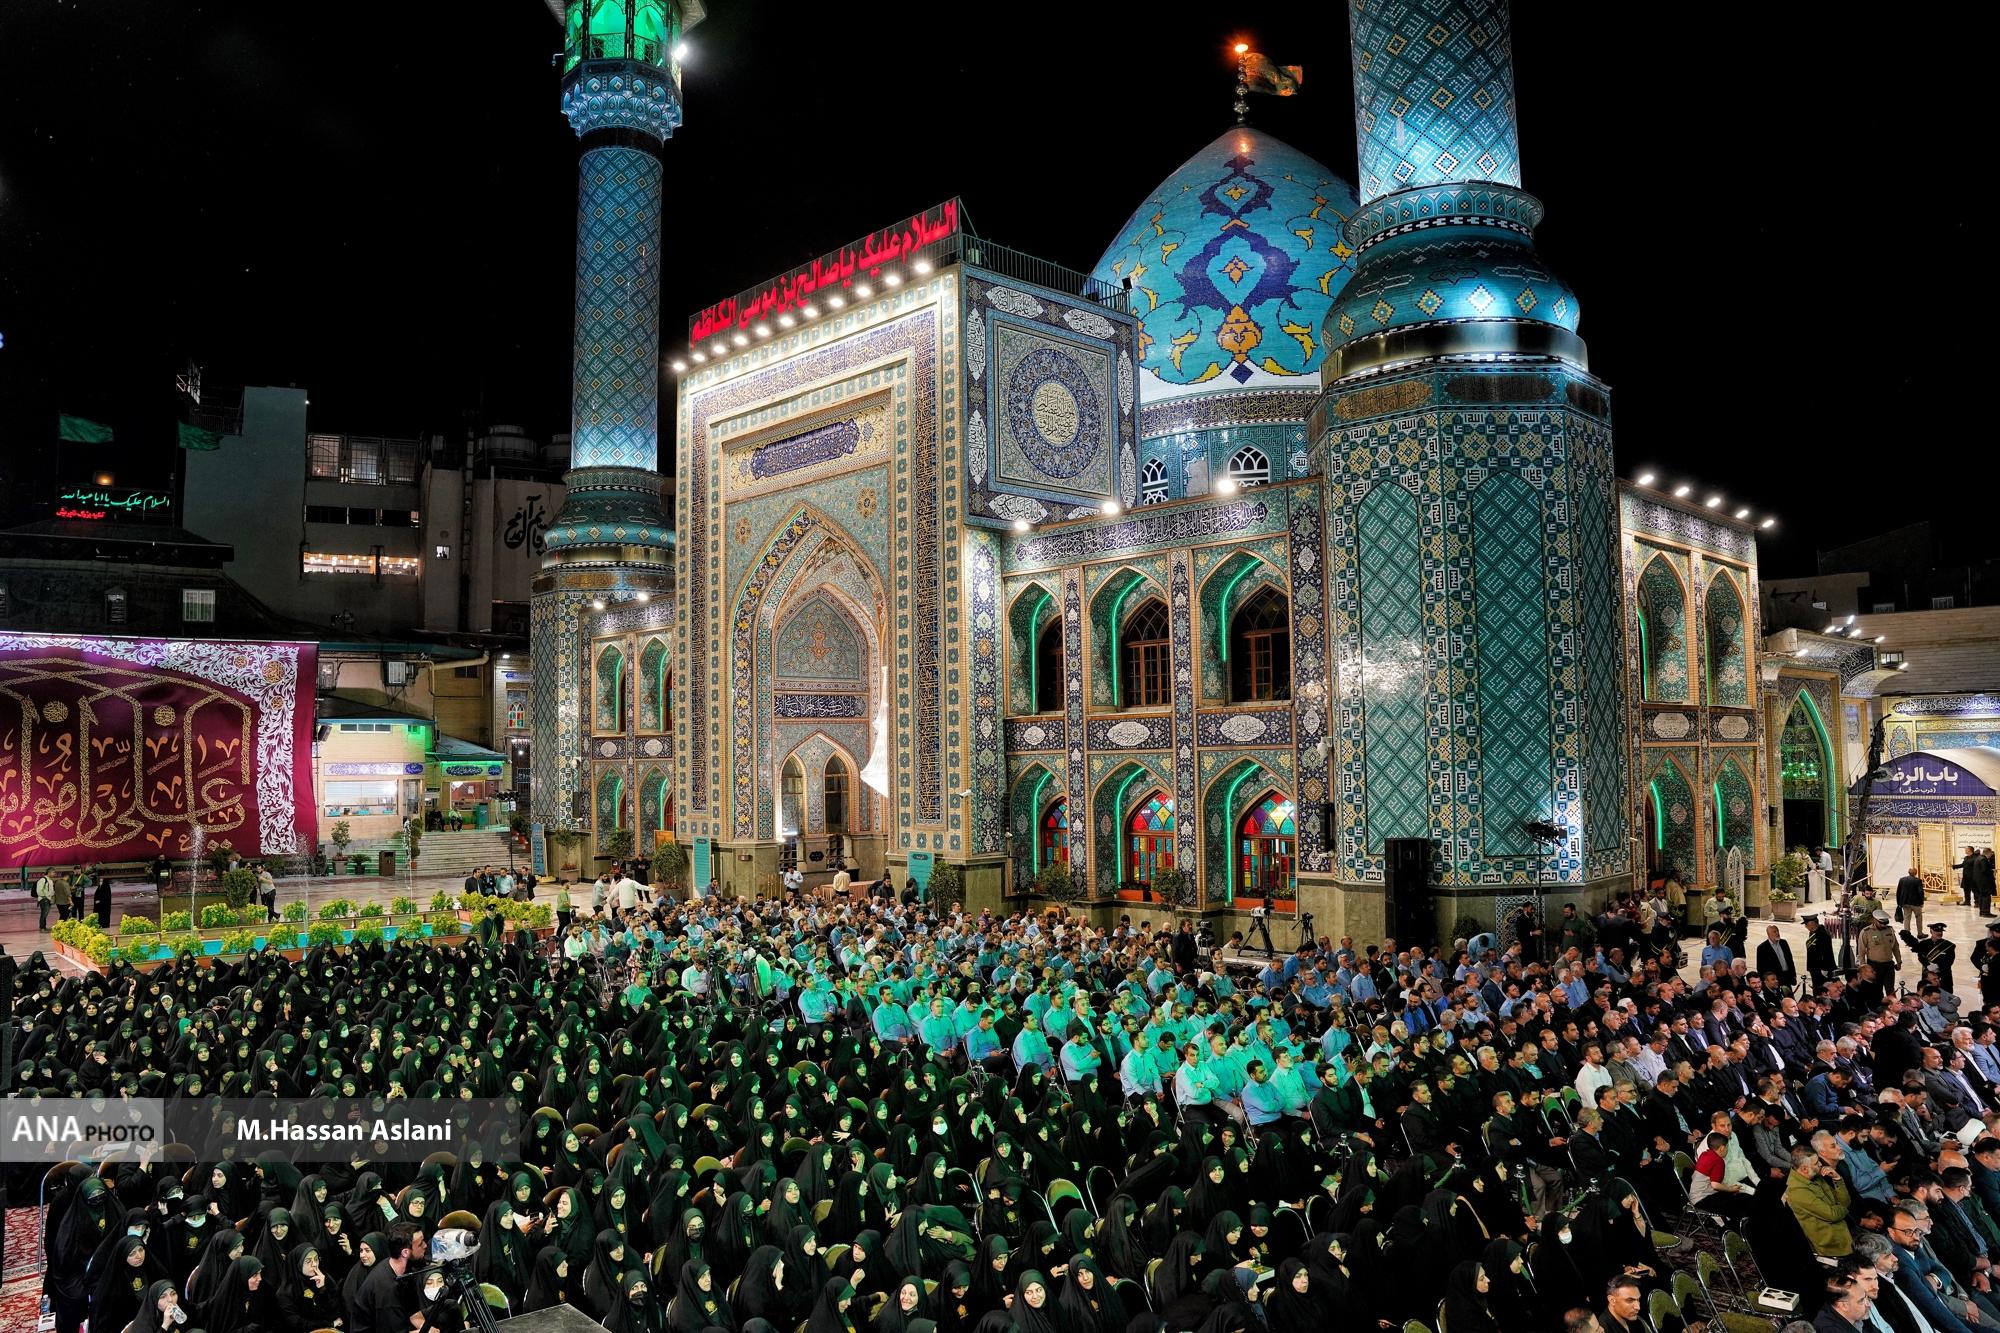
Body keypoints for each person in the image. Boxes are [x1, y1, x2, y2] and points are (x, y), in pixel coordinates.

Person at [1896, 867, 1927, 935]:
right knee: (1918, 918)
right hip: (1916, 903)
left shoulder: (1902, 880)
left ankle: (1907, 934)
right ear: (1916, 873)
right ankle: (1920, 933)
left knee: (1907, 918)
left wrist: (1899, 903)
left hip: (1905, 903)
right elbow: (1920, 892)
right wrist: (1922, 902)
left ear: (1908, 872)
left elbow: (1898, 891)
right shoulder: (1918, 881)